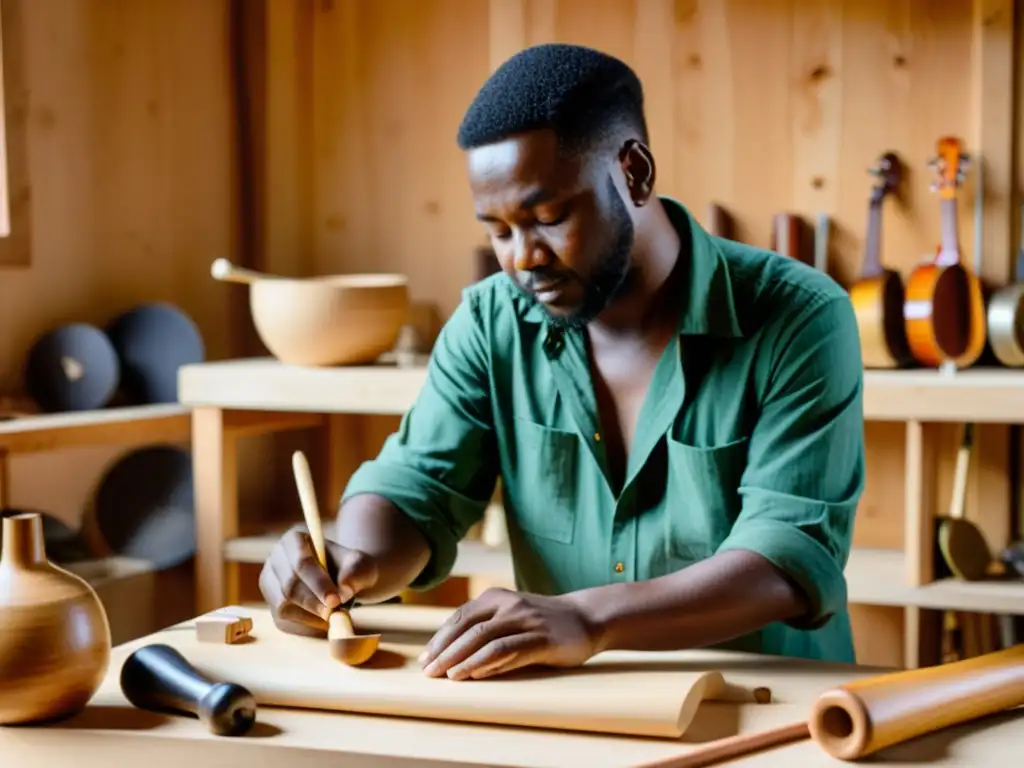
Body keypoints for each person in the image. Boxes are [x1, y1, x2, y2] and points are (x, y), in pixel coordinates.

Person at [259, 43, 865, 681]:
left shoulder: (799, 317)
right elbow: (417, 491)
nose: (523, 258)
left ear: (634, 172)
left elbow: (787, 559)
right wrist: (352, 562)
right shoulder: (491, 323)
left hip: (770, 709)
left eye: (547, 217)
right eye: (498, 230)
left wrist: (591, 619)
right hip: (569, 710)